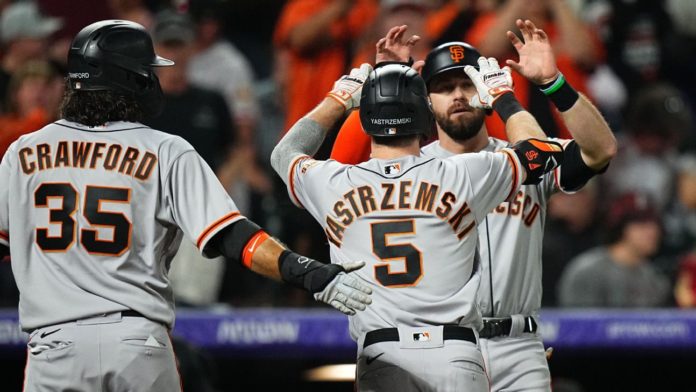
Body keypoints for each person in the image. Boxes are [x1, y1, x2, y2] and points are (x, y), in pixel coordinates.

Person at [0, 20, 372, 392]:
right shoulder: (165, 149)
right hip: (136, 344)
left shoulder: (22, 152)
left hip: (53, 346)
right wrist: (306, 272)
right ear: (132, 80)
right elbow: (233, 236)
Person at [330, 21, 616, 391]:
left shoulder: (523, 157)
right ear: (426, 101)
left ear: (486, 91)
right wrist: (385, 86)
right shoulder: (405, 170)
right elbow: (337, 176)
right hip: (433, 346)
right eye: (445, 88)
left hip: (516, 345)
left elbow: (600, 150)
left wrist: (553, 82)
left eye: (468, 84)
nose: (459, 95)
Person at [271, 50, 565, 391]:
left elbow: (284, 154)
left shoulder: (332, 182)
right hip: (456, 352)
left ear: (365, 120)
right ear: (425, 117)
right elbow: (541, 151)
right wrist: (503, 98)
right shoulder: (464, 172)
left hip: (382, 353)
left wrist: (337, 100)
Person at [557, 193, 671, 308]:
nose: (652, 232)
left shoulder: (655, 280)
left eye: (654, 224)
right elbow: (576, 323)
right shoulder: (587, 271)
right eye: (641, 224)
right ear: (621, 228)